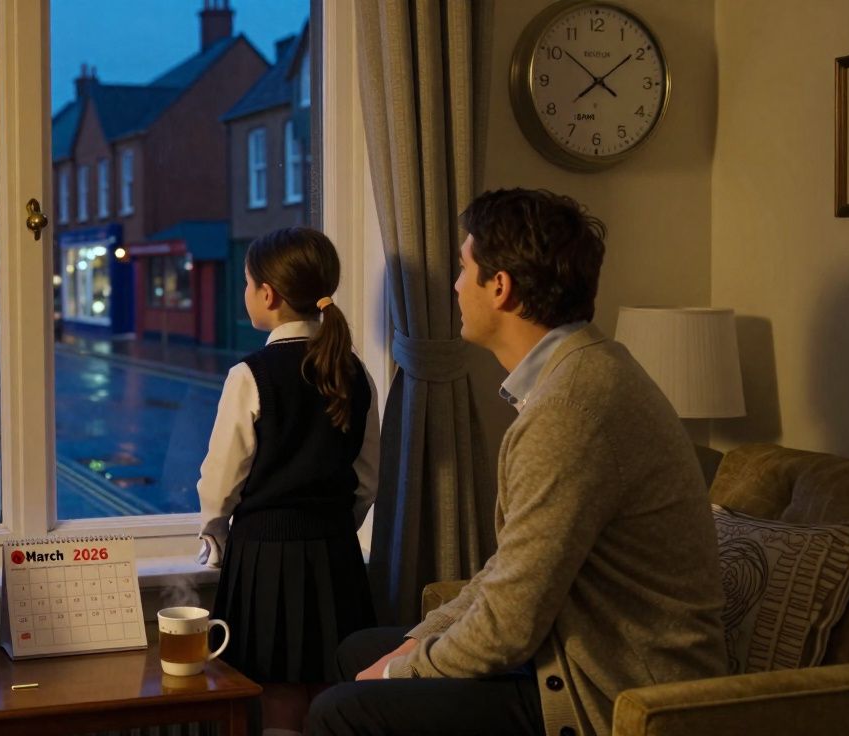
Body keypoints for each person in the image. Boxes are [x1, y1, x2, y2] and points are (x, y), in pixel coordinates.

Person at [305, 189, 727, 736]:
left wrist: (399, 672)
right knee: (362, 650)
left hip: (605, 692)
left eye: (463, 269)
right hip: (559, 654)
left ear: (499, 287)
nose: (455, 286)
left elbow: (509, 626)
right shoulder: (574, 376)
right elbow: (509, 573)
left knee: (339, 710)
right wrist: (420, 639)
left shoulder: (571, 410)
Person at [196, 226, 380, 736]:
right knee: (332, 687)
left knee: (278, 691)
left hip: (265, 555)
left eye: (249, 284)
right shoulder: (355, 371)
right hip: (335, 553)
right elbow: (367, 480)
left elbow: (219, 483)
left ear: (269, 295)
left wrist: (216, 531)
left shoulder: (250, 374)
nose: (247, 293)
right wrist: (336, 526)